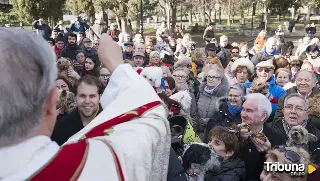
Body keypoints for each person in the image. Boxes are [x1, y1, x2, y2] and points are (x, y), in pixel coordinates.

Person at [0, 29, 170, 180]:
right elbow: (153, 116)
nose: (87, 101)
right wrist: (117, 65)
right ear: (52, 100)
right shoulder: (93, 164)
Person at [238, 93, 286, 181]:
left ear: (263, 116)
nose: (243, 114)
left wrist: (269, 151)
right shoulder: (232, 130)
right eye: (243, 109)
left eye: (249, 110)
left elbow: (283, 167)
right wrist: (236, 138)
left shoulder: (277, 137)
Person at [51, 76, 103, 145]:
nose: (87, 101)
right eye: (82, 96)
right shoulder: (60, 127)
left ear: (100, 97)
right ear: (75, 98)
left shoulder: (110, 123)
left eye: (92, 96)